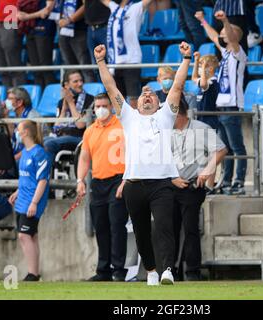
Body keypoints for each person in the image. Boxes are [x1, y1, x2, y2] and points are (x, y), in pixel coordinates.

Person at [95, 41, 191, 285]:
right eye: (143, 95)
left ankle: (167, 269)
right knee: (140, 232)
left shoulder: (166, 116)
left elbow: (178, 86)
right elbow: (110, 86)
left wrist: (186, 60)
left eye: (152, 95)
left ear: (159, 103)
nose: (147, 96)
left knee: (164, 227)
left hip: (161, 184)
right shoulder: (128, 116)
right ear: (136, 103)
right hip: (135, 185)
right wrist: (101, 61)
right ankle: (150, 270)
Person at [76, 93, 128, 282]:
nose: (100, 109)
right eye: (97, 106)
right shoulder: (90, 130)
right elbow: (84, 157)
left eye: (104, 105)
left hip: (118, 179)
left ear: (111, 106)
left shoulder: (122, 126)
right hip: (98, 181)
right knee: (101, 226)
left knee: (116, 225)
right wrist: (80, 180)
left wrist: (126, 180)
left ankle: (119, 270)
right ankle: (103, 269)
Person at [171, 104, 227, 280]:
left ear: (178, 115)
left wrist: (207, 171)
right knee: (168, 230)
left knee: (190, 228)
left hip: (192, 186)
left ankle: (192, 271)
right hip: (170, 185)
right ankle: (170, 271)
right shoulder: (164, 132)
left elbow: (221, 150)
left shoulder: (201, 128)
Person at [195, 9, 247, 196]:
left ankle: (239, 181)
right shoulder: (225, 53)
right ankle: (225, 181)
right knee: (224, 148)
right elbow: (214, 37)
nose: (222, 33)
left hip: (232, 106)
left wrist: (225, 20)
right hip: (221, 107)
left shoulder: (237, 52)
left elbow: (231, 39)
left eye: (226, 31)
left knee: (236, 147)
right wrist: (203, 21)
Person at [8, 120, 51, 281]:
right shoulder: (26, 151)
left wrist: (34, 203)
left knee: (24, 236)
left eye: (19, 130)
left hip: (33, 201)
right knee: (31, 236)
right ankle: (34, 273)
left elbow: (42, 181)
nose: (17, 133)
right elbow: (27, 178)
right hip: (23, 200)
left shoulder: (39, 153)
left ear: (25, 132)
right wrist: (17, 192)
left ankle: (32, 273)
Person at [100, 0, 153, 108]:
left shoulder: (136, 7)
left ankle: (135, 123)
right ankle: (122, 124)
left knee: (133, 98)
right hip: (115, 62)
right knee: (118, 98)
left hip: (131, 60)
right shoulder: (114, 8)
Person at [43, 70, 93, 165]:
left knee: (49, 144)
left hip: (79, 138)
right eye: (76, 81)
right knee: (41, 142)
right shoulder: (61, 102)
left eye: (81, 80)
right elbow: (56, 128)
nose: (80, 84)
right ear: (66, 85)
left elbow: (80, 125)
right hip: (62, 136)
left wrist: (71, 103)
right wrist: (64, 109)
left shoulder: (91, 100)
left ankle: (47, 177)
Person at [18, 0, 57, 88]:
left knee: (45, 67)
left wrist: (27, 16)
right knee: (35, 69)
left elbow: (46, 12)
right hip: (29, 30)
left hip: (44, 30)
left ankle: (50, 94)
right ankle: (39, 97)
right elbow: (19, 11)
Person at [0, 0, 26, 87]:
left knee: (14, 65)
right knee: (1, 67)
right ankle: (8, 95)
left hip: (9, 21)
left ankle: (19, 94)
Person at [58, 0, 94, 82]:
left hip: (79, 31)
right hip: (63, 30)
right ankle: (73, 93)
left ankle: (90, 93)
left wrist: (70, 19)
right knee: (70, 69)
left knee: (85, 68)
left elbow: (86, 5)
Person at [6, 87, 41, 163]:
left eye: (10, 99)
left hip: (33, 155)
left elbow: (31, 146)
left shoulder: (32, 117)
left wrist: (11, 160)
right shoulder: (18, 115)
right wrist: (6, 116)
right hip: (20, 153)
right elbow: (12, 135)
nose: (6, 101)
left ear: (19, 102)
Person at [191, 52, 220, 131]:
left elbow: (203, 84)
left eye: (202, 66)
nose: (200, 69)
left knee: (210, 143)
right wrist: (196, 62)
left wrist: (203, 68)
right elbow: (194, 78)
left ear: (210, 68)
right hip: (201, 118)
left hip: (209, 119)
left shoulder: (212, 82)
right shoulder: (205, 80)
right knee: (200, 143)